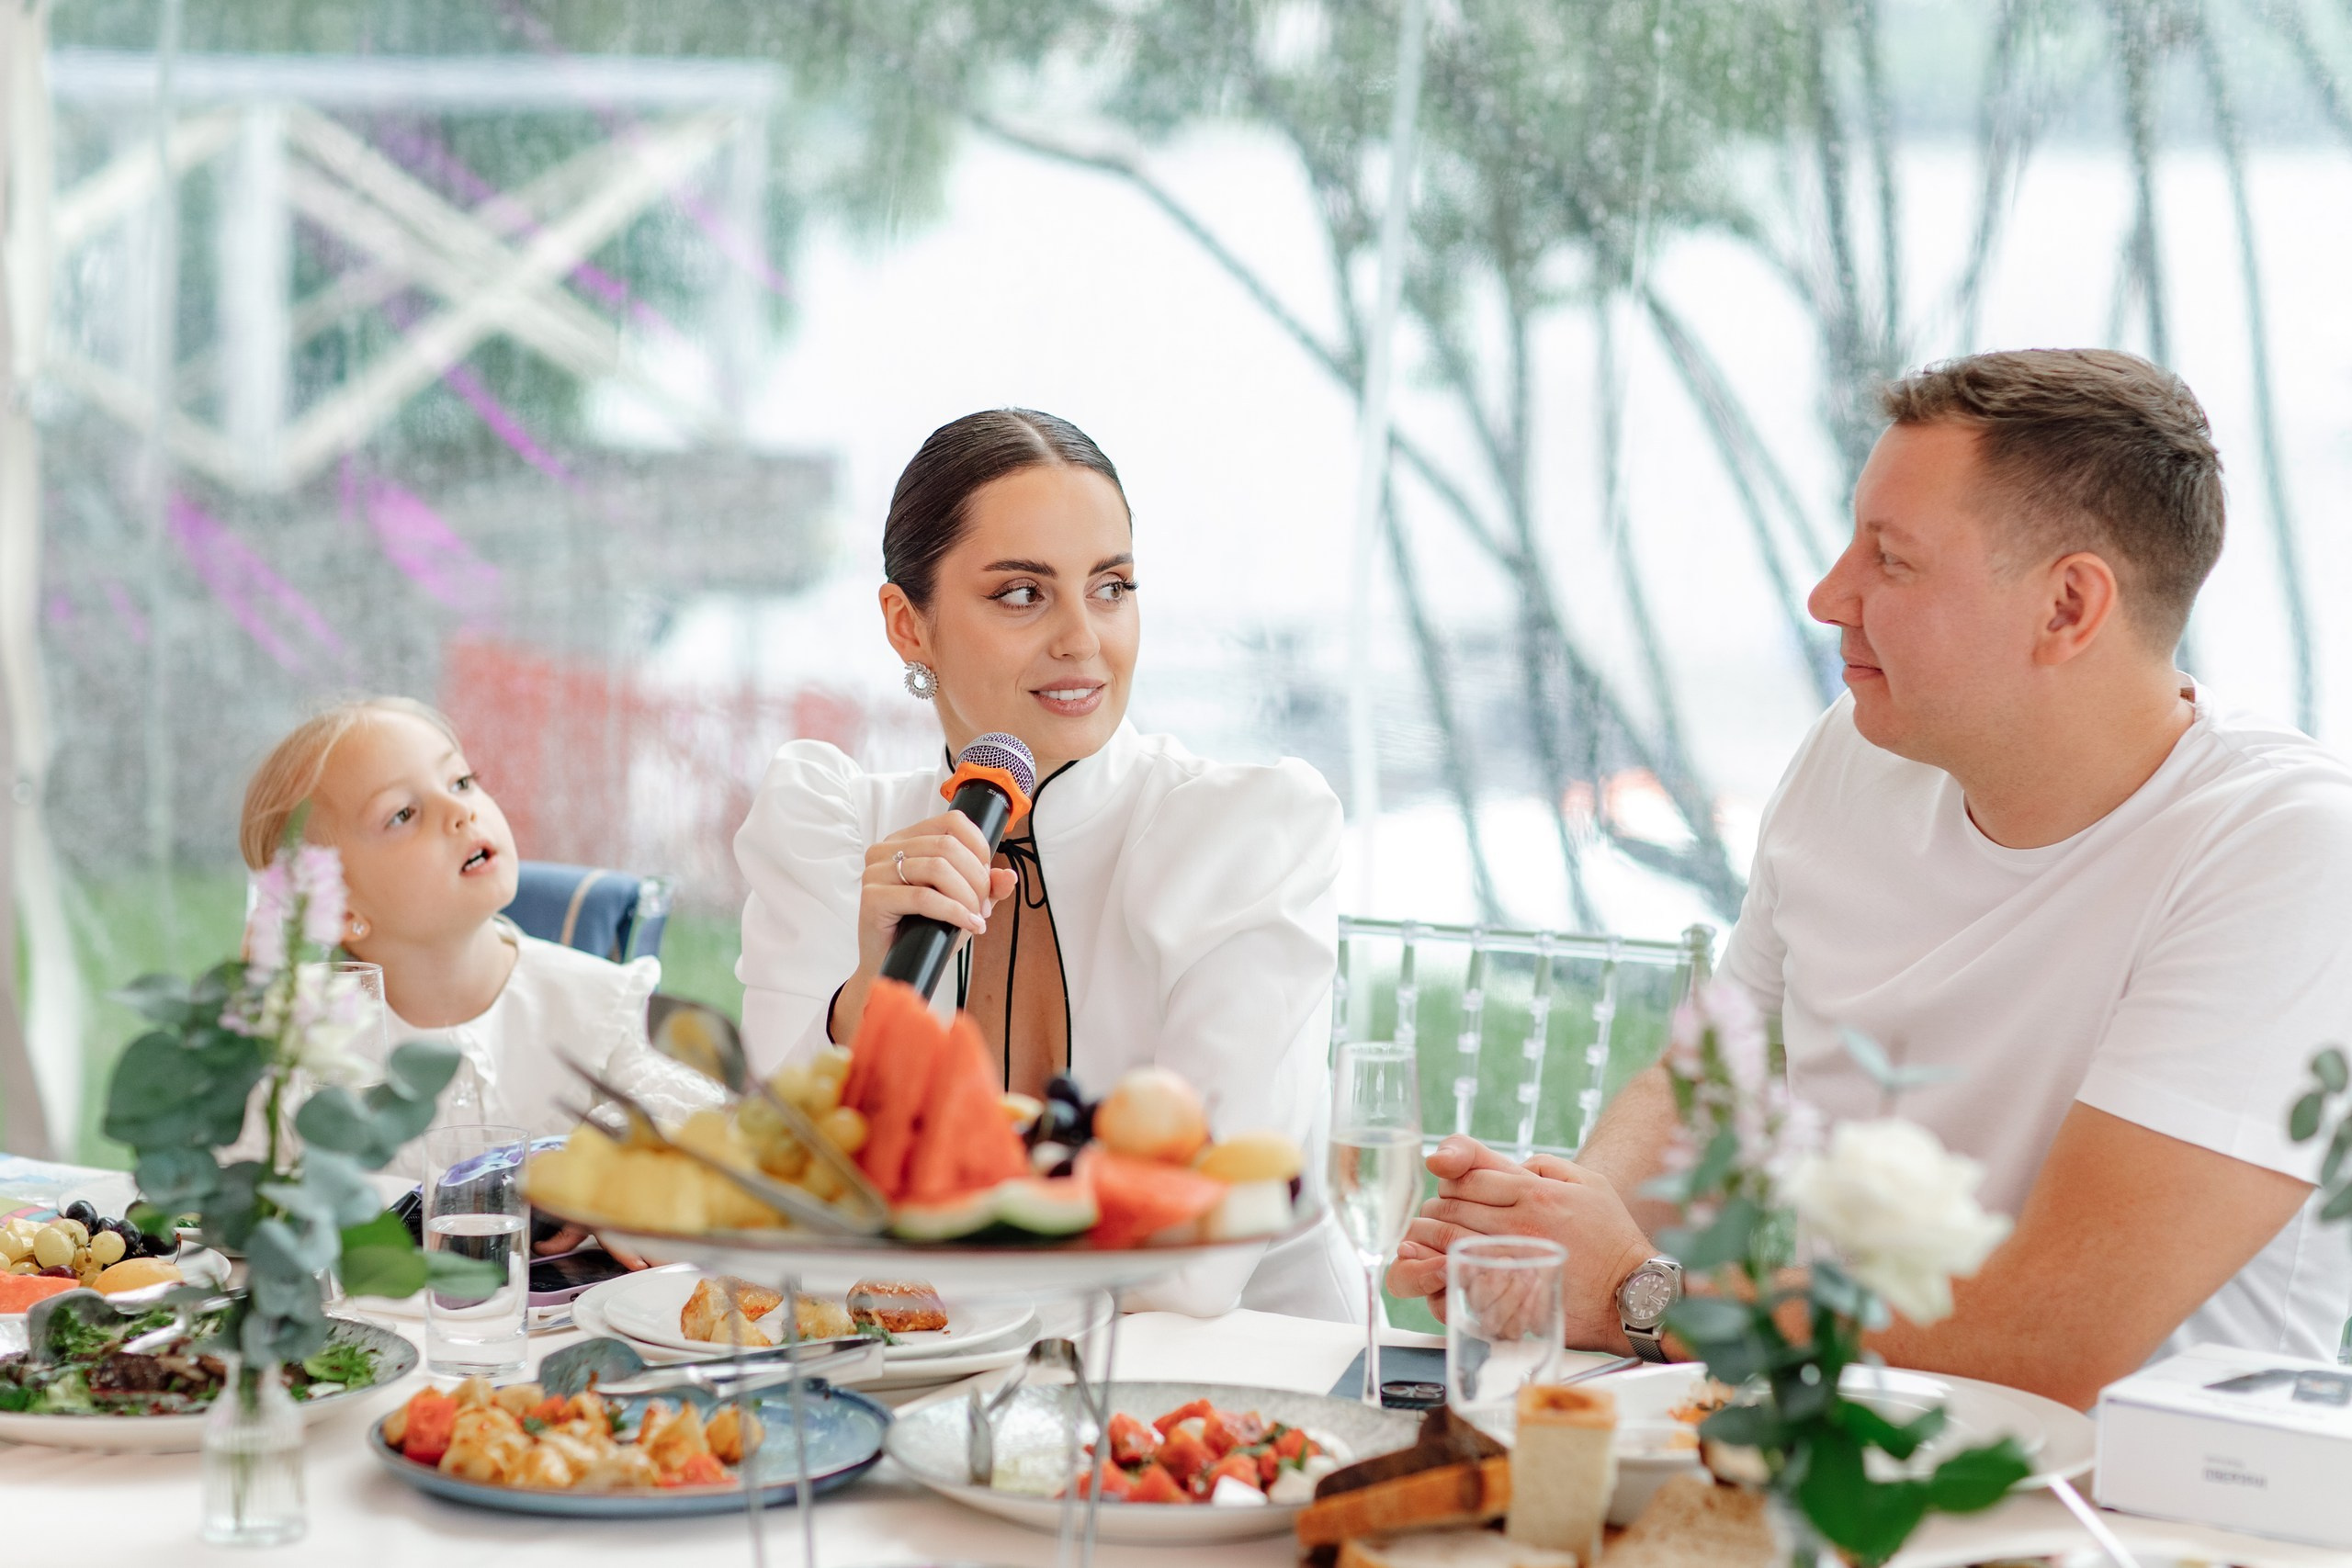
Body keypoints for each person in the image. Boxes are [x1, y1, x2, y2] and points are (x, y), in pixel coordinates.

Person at [1386, 349, 2352, 1407]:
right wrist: (1546, 1231)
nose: (1825, 594)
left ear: (2068, 607)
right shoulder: (1858, 749)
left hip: (2141, 1515)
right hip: (1825, 1455)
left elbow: (2055, 1341)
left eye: (1889, 560)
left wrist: (1636, 1291)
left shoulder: (2288, 851)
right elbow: (1712, 1077)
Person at [734, 408, 1358, 1320]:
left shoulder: (1246, 834)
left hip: (1229, 1399)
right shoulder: (829, 827)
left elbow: (1192, 1260)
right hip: (910, 1399)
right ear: (908, 626)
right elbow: (773, 1202)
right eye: (1022, 594)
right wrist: (866, 1005)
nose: (1082, 639)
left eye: (1110, 587)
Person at [239, 696, 720, 1254]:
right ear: (337, 908)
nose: (460, 811)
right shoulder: (314, 1044)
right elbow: (241, 1200)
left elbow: (701, 1113)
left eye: (462, 781)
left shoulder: (601, 1000)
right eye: (403, 814)